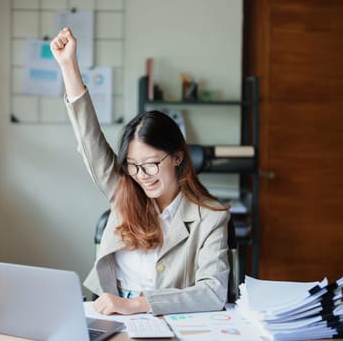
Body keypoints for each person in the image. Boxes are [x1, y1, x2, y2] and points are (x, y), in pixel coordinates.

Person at [50, 28, 231, 316]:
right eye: (133, 165)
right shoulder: (124, 189)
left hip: (168, 320)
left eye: (150, 163)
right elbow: (90, 139)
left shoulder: (210, 216)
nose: (142, 174)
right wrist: (68, 66)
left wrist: (136, 305)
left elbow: (212, 292)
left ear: (177, 157)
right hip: (111, 318)